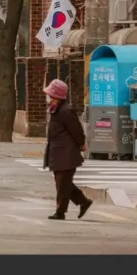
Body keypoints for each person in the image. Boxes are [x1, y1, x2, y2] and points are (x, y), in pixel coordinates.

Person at [42, 78, 90, 220]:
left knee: (63, 183)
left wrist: (81, 143)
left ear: (57, 96)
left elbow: (76, 129)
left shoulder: (65, 111)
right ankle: (83, 202)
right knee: (63, 183)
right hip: (58, 152)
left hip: (66, 153)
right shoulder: (55, 110)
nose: (48, 98)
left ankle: (60, 212)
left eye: (50, 95)